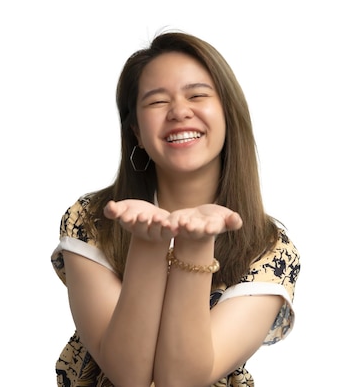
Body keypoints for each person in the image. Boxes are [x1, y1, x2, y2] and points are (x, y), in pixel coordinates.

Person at [50, 30, 301, 387]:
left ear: (229, 113)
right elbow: (128, 375)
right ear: (136, 130)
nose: (180, 112)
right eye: (156, 102)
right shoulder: (90, 219)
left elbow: (180, 381)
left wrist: (197, 243)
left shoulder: (269, 248)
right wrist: (148, 242)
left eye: (197, 95)